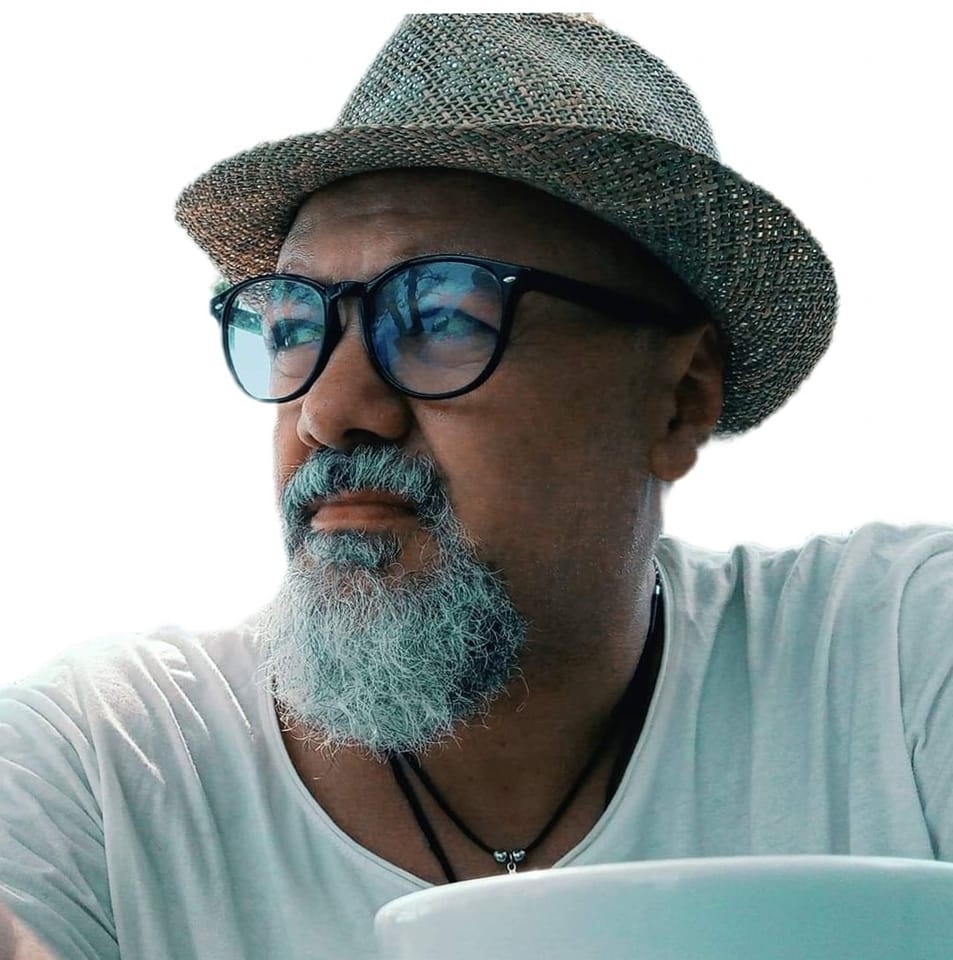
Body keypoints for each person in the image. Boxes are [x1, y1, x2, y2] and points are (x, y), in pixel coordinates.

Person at [1, 12, 950, 960]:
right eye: (293, 326)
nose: (331, 410)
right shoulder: (103, 769)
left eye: (441, 316)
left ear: (678, 398)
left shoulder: (893, 662)